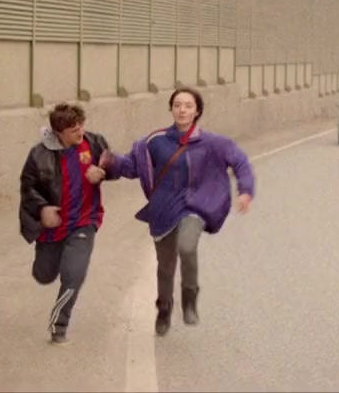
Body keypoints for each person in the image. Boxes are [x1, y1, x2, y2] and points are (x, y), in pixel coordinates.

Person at [101, 87, 255, 336]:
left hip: (196, 206)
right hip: (163, 209)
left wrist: (245, 190)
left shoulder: (214, 143)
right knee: (165, 266)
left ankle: (189, 298)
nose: (182, 110)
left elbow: (240, 162)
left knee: (187, 246)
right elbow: (132, 166)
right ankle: (164, 308)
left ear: (197, 111)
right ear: (171, 109)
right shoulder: (155, 141)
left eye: (188, 106)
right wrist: (109, 163)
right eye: (177, 105)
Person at [18, 102, 115, 345]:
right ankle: (52, 261)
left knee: (74, 274)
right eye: (73, 129)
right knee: (44, 275)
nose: (80, 131)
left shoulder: (94, 142)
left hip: (85, 221)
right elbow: (28, 188)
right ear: (58, 132)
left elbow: (114, 164)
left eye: (81, 125)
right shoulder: (39, 154)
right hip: (53, 228)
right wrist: (42, 209)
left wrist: (103, 172)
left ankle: (59, 325)